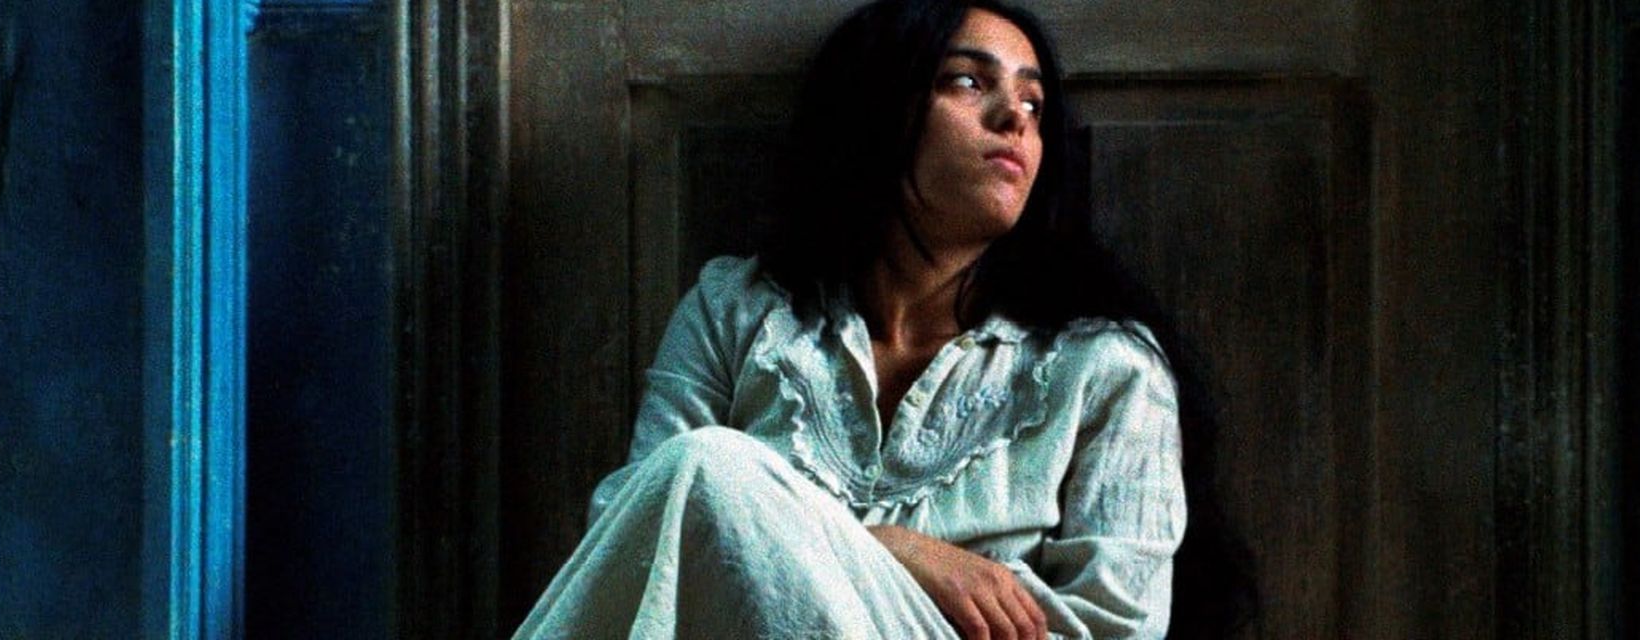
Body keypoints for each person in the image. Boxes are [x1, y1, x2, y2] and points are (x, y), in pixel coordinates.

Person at [513, 1, 1254, 638]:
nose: (1015, 120)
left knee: (711, 467)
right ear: (878, 107)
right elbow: (634, 531)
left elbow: (1120, 629)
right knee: (703, 470)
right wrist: (897, 550)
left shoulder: (1106, 366)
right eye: (968, 81)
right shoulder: (736, 308)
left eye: (1035, 104)